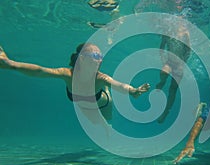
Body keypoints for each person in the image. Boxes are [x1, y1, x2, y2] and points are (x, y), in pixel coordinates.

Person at [0, 44, 150, 123]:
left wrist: (133, 91)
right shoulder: (67, 74)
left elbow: (117, 84)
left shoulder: (100, 77)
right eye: (96, 55)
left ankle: (105, 94)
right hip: (82, 101)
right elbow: (40, 71)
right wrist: (10, 64)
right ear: (82, 58)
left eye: (101, 56)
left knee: (107, 121)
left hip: (102, 102)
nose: (100, 59)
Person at [156, 23, 191, 123]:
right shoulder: (167, 33)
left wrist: (183, 64)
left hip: (180, 64)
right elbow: (161, 48)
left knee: (173, 89)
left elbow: (188, 50)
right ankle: (162, 82)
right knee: (163, 72)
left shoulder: (185, 33)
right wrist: (163, 60)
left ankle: (165, 112)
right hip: (169, 62)